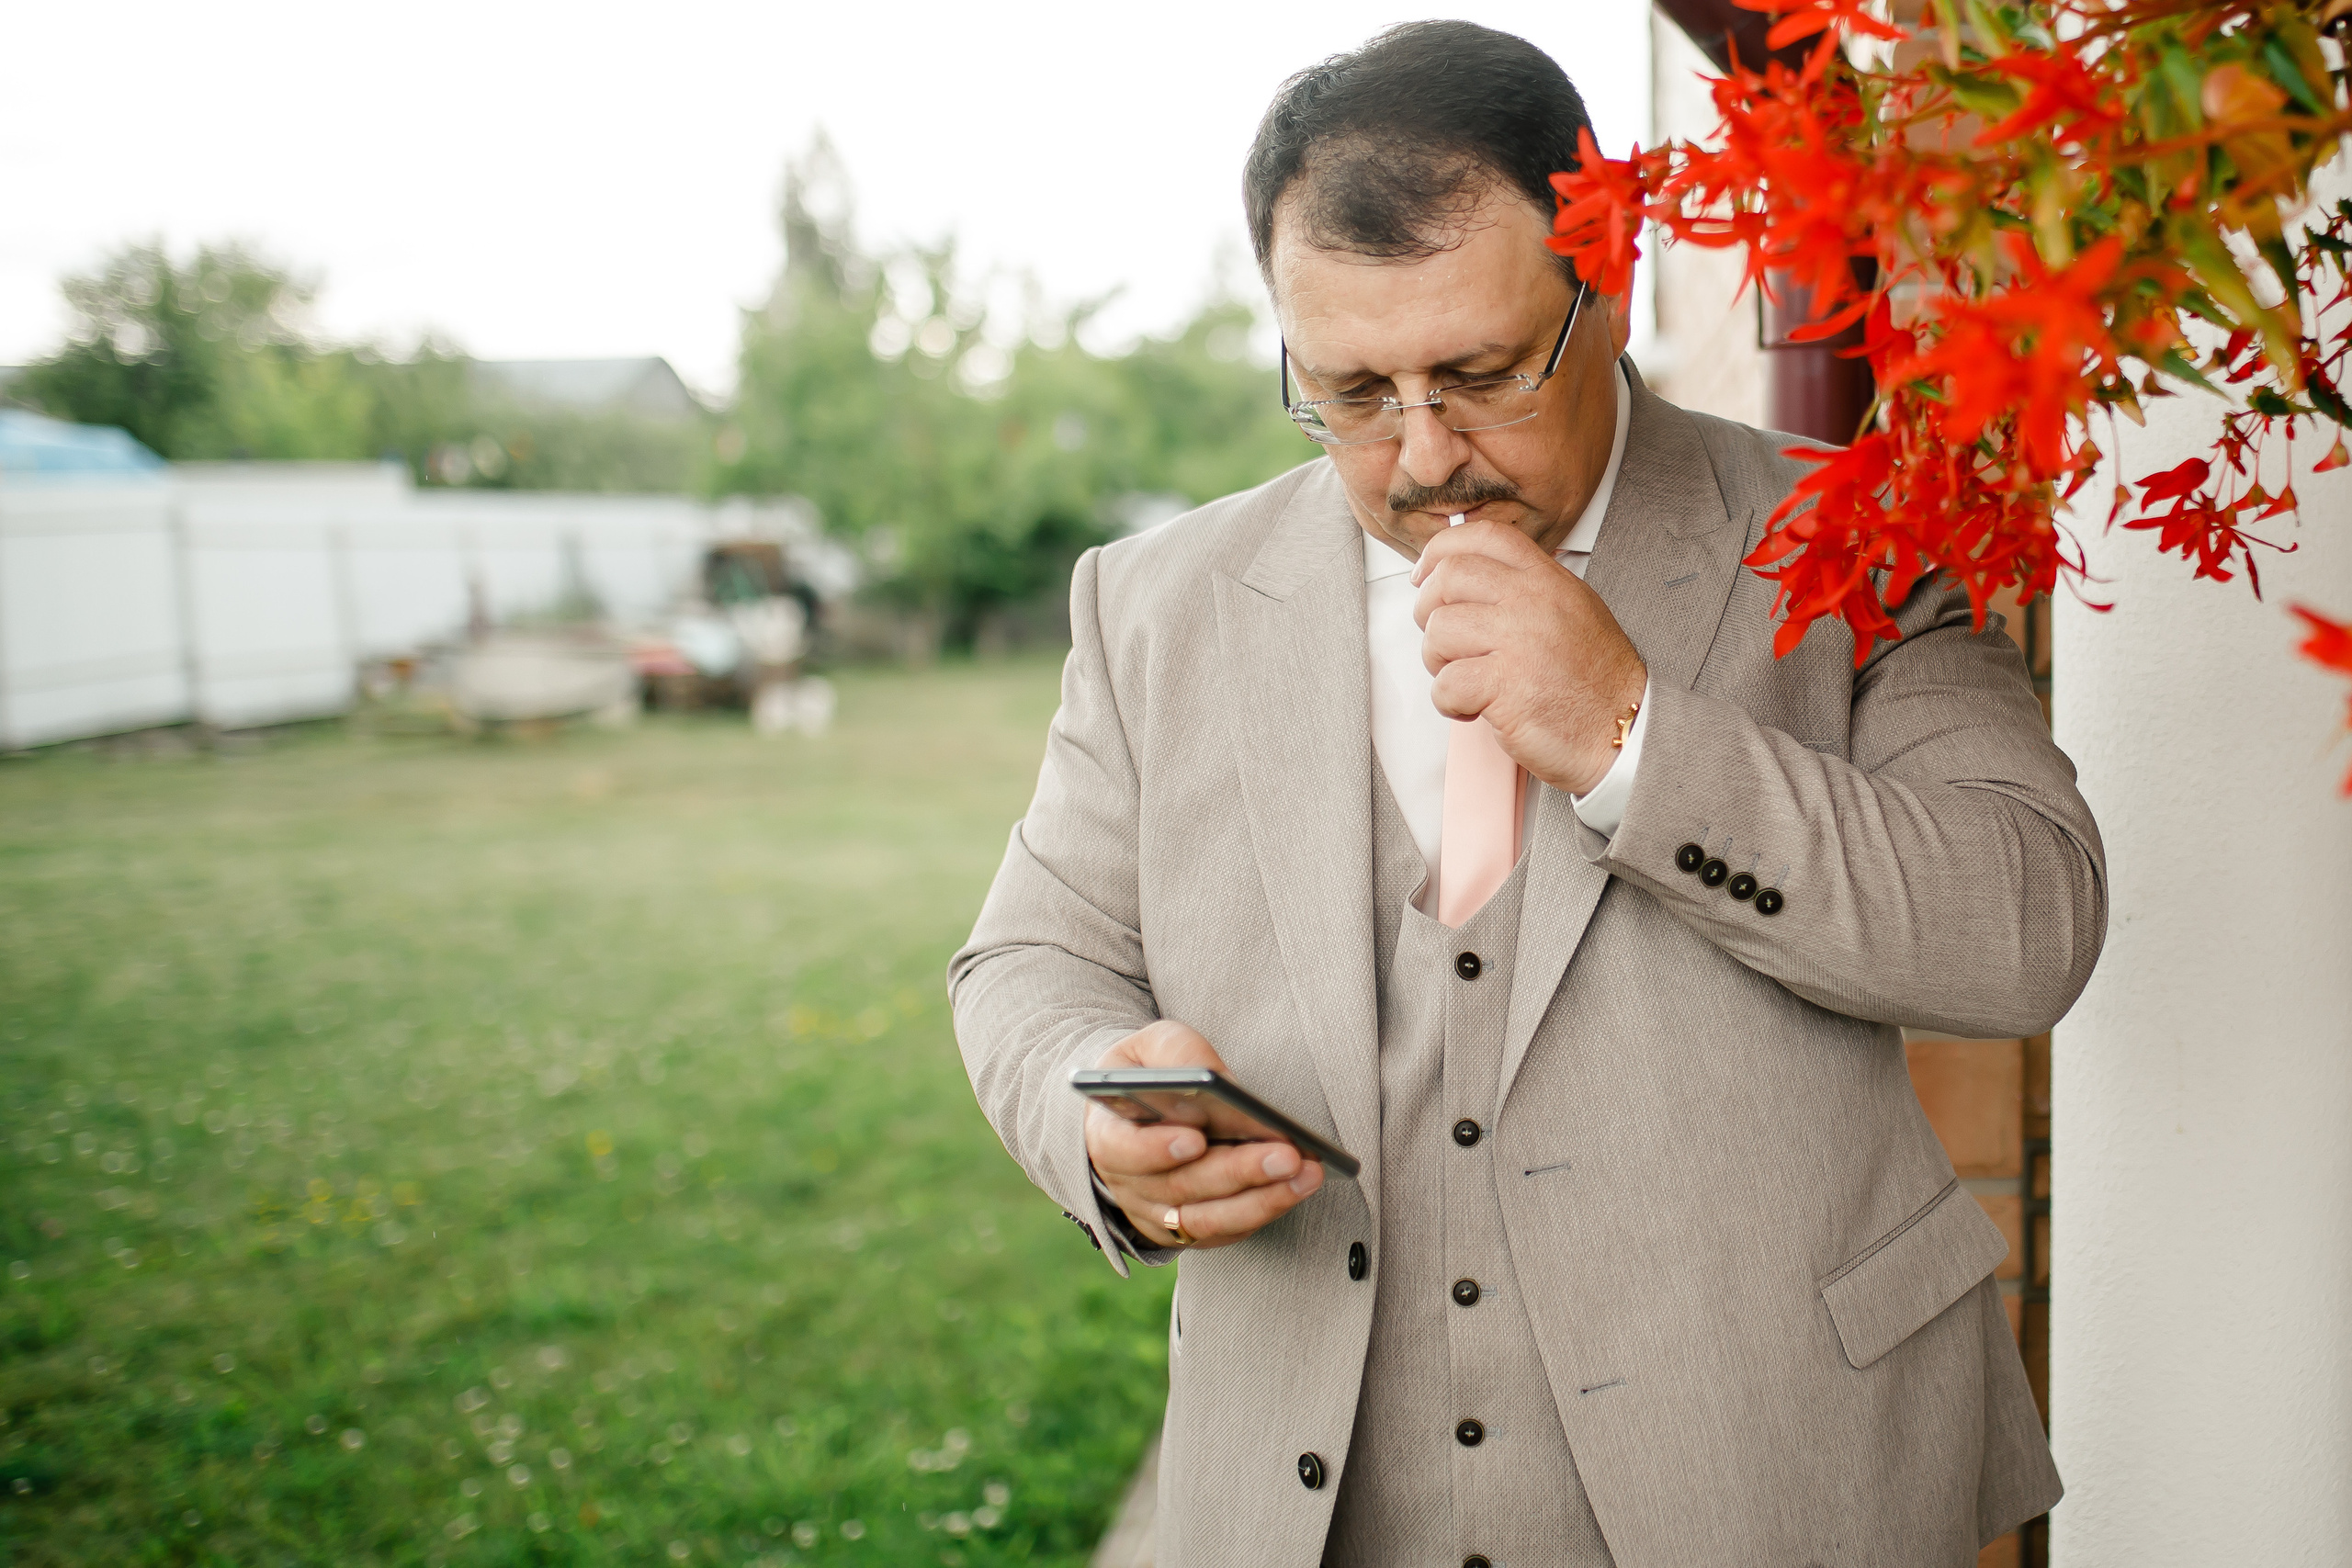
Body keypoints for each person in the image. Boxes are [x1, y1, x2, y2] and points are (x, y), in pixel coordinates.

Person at [950, 20, 2103, 1566]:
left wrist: (1633, 731)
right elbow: (1025, 964)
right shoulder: (1152, 604)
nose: (1423, 457)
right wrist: (1097, 1118)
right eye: (1351, 390)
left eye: (1479, 374)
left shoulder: (1853, 541)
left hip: (1779, 1486)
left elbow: (2024, 924)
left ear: (1608, 284)